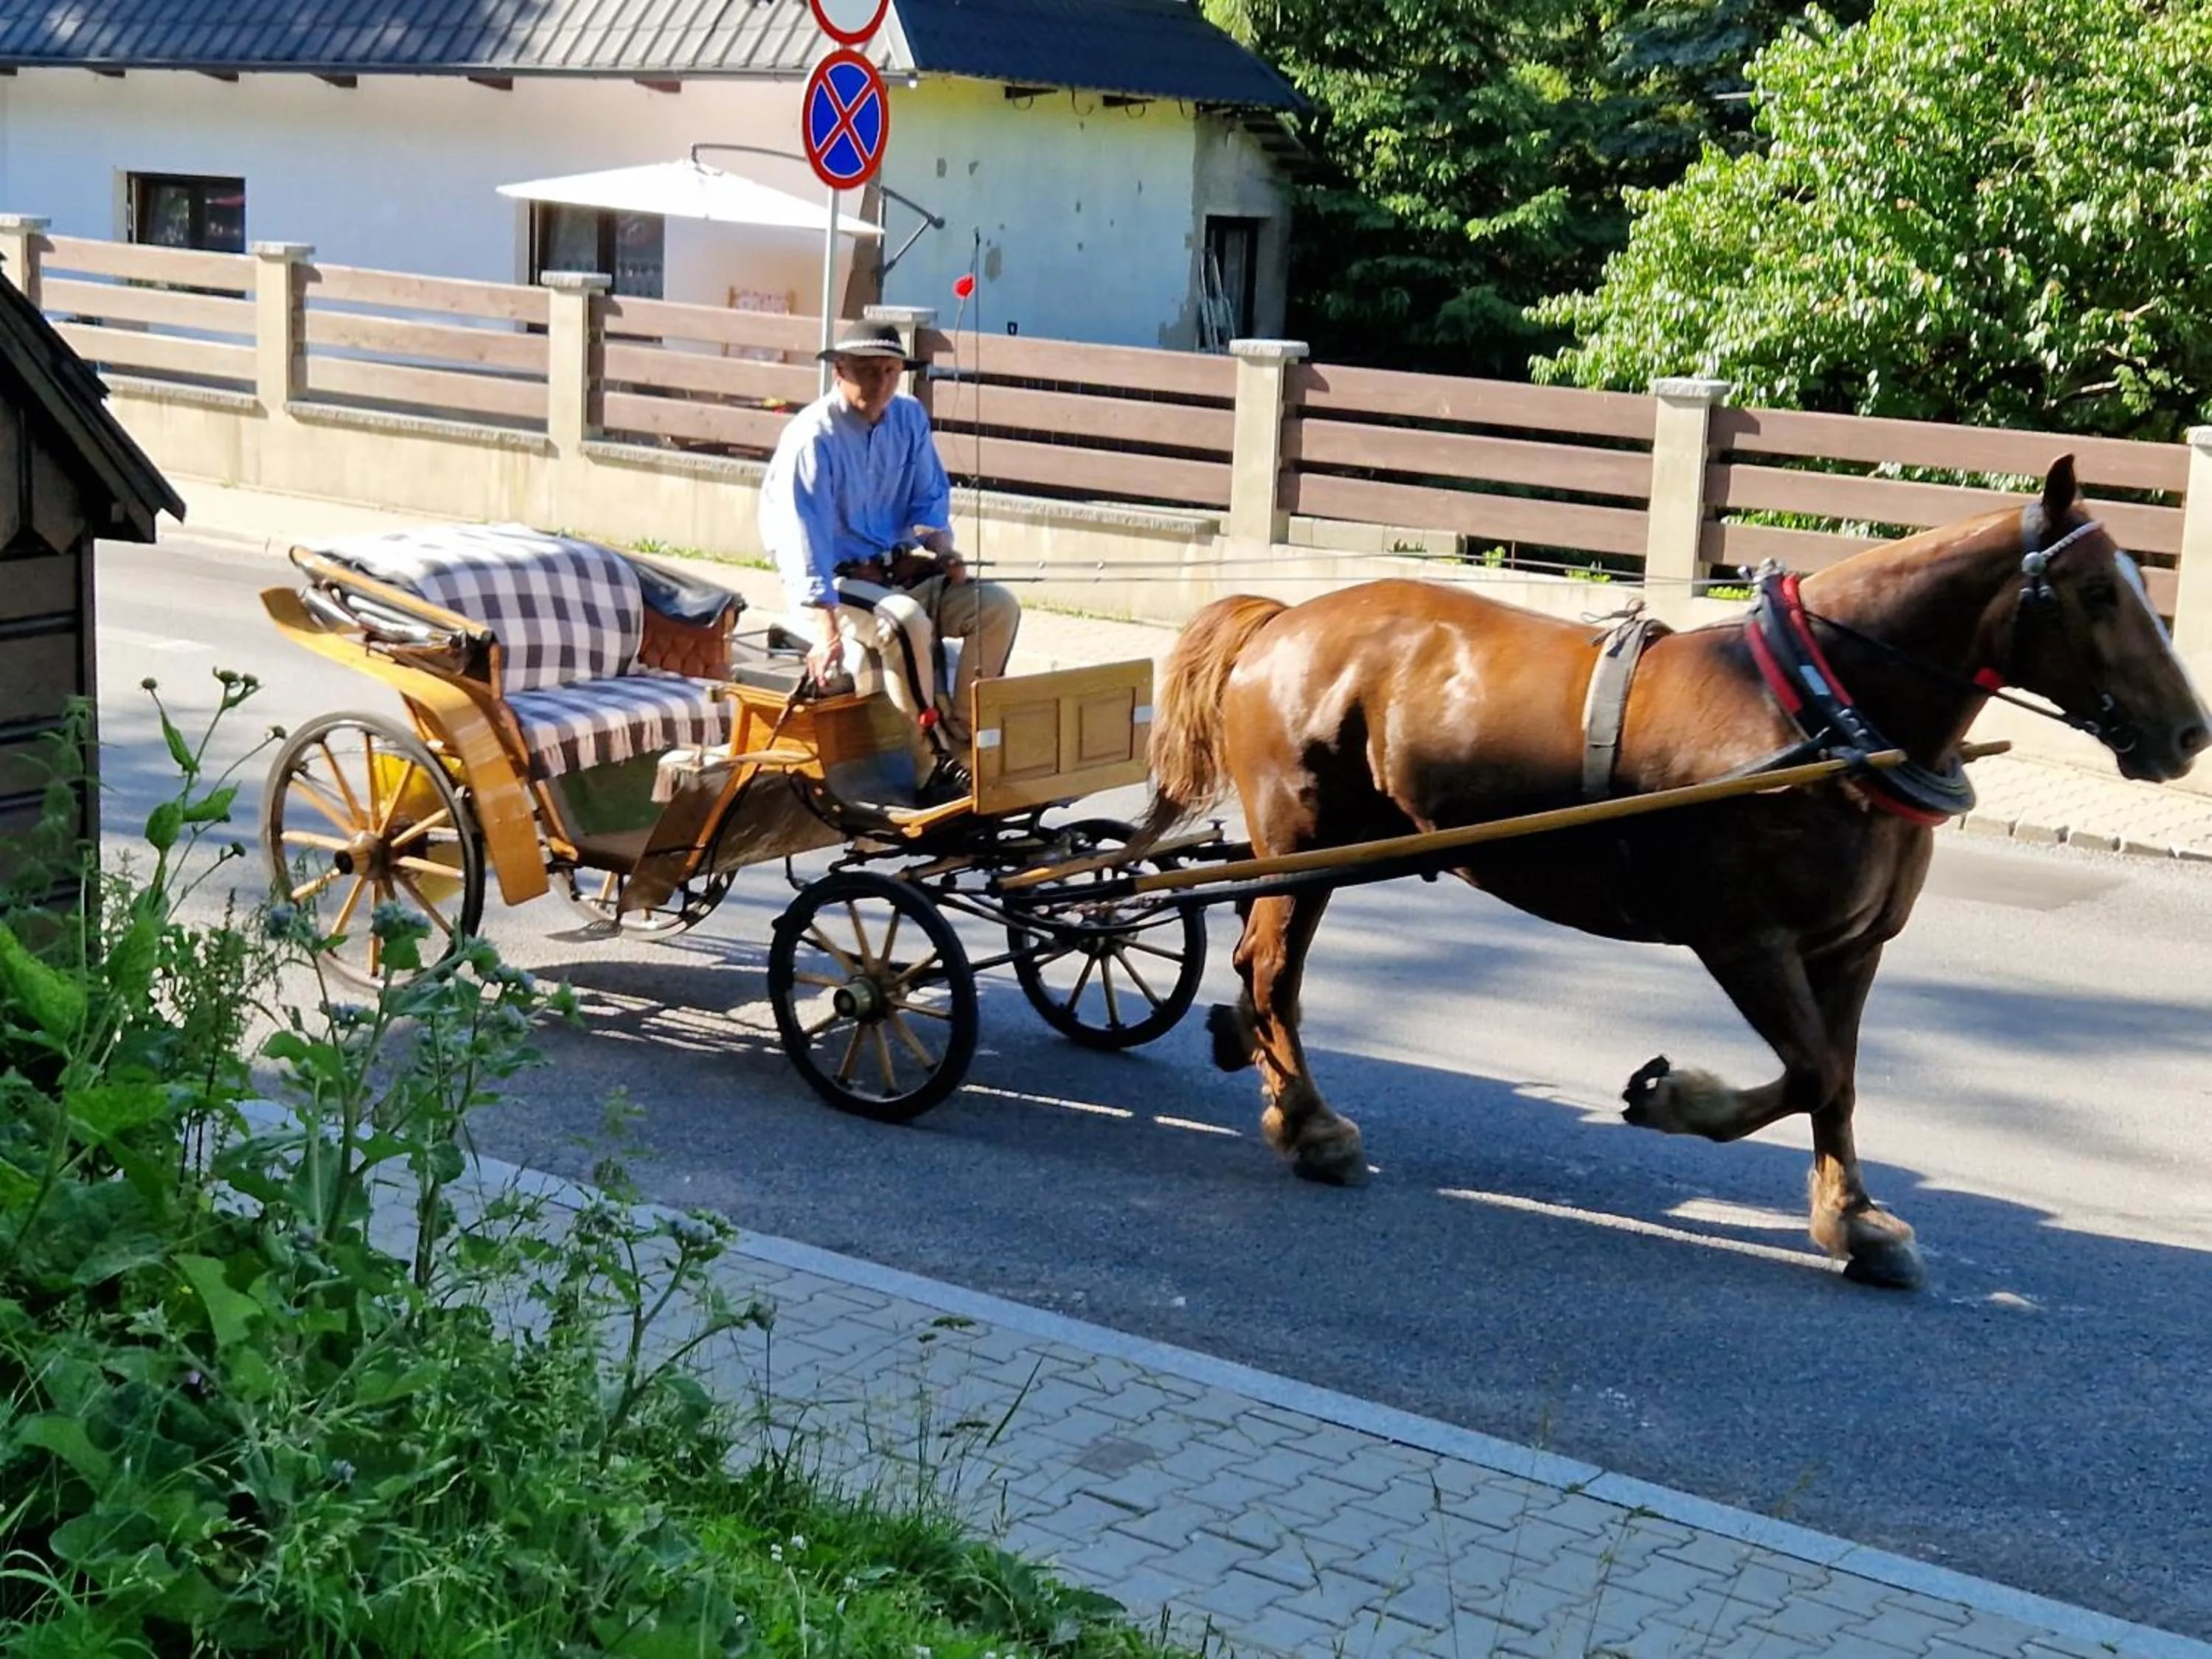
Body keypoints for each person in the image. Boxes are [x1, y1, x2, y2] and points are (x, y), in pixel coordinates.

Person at [757, 323, 1020, 804]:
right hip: (839, 579)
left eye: (889, 371)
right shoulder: (813, 437)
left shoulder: (909, 417)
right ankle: (929, 762)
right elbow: (803, 538)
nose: (879, 382)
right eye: (865, 371)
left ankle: (965, 741)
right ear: (839, 371)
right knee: (904, 624)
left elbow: (928, 500)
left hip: (900, 568)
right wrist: (826, 628)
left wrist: (943, 551)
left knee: (997, 606)